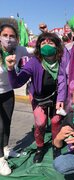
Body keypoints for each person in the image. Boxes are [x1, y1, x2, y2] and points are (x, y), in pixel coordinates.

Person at [6, 32, 64, 163]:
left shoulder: (62, 61)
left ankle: (56, 145)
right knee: (41, 122)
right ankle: (40, 147)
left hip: (57, 96)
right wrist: (10, 69)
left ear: (57, 46)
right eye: (43, 43)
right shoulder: (34, 62)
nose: (47, 45)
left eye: (50, 42)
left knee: (55, 121)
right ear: (38, 46)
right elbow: (16, 83)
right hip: (38, 97)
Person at [0, 23, 32, 176]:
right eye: (5, 35)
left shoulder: (19, 50)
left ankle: (6, 149)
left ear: (17, 39)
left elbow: (34, 52)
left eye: (11, 36)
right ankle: (0, 160)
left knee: (7, 123)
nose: (8, 39)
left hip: (7, 92)